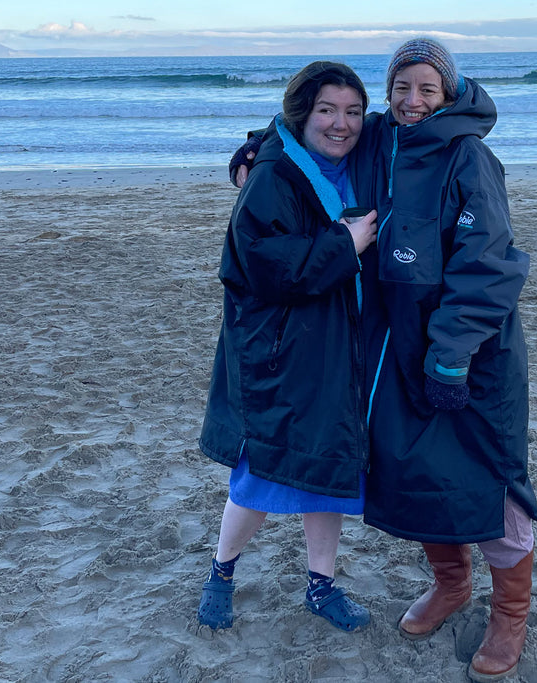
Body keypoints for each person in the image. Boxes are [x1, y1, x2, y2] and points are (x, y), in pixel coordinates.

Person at [230, 39, 537, 681]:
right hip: (393, 348)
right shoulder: (375, 138)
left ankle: (510, 612)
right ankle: (451, 585)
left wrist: (451, 356)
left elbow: (489, 267)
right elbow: (315, 124)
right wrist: (257, 146)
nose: (413, 100)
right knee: (418, 467)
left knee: (490, 472)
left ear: (447, 92)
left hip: (469, 353)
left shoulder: (468, 157)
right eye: (402, 87)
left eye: (427, 88)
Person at [197, 61, 378, 633]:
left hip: (339, 341)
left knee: (330, 466)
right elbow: (267, 270)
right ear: (303, 114)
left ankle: (321, 587)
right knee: (262, 470)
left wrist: (250, 141)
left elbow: (412, 127)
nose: (340, 124)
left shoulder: (360, 153)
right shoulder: (273, 178)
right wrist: (342, 244)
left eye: (352, 111)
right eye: (326, 110)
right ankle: (221, 574)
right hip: (279, 345)